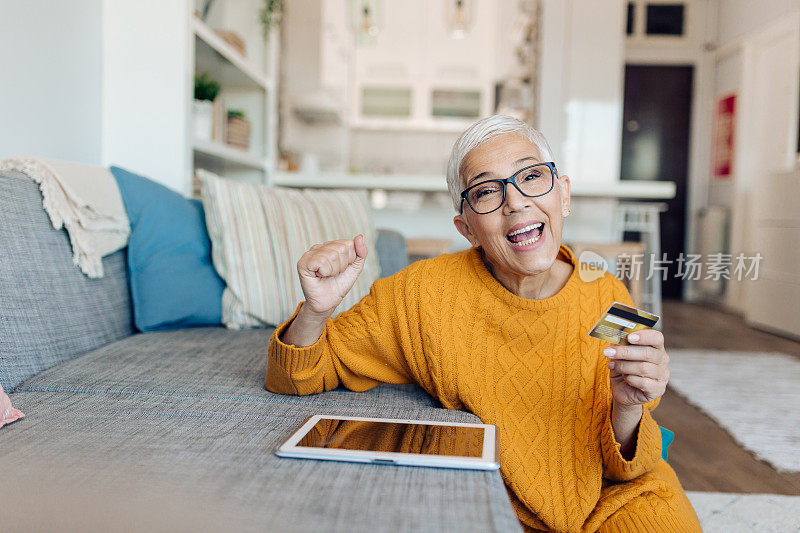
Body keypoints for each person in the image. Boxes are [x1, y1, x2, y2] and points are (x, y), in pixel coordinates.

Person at [266, 115, 702, 532]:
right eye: (487, 192)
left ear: (563, 194)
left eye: (531, 176)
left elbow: (629, 462)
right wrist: (316, 311)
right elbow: (297, 374)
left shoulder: (609, 295)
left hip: (619, 500)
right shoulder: (421, 294)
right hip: (499, 505)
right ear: (467, 228)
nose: (516, 202)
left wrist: (627, 406)